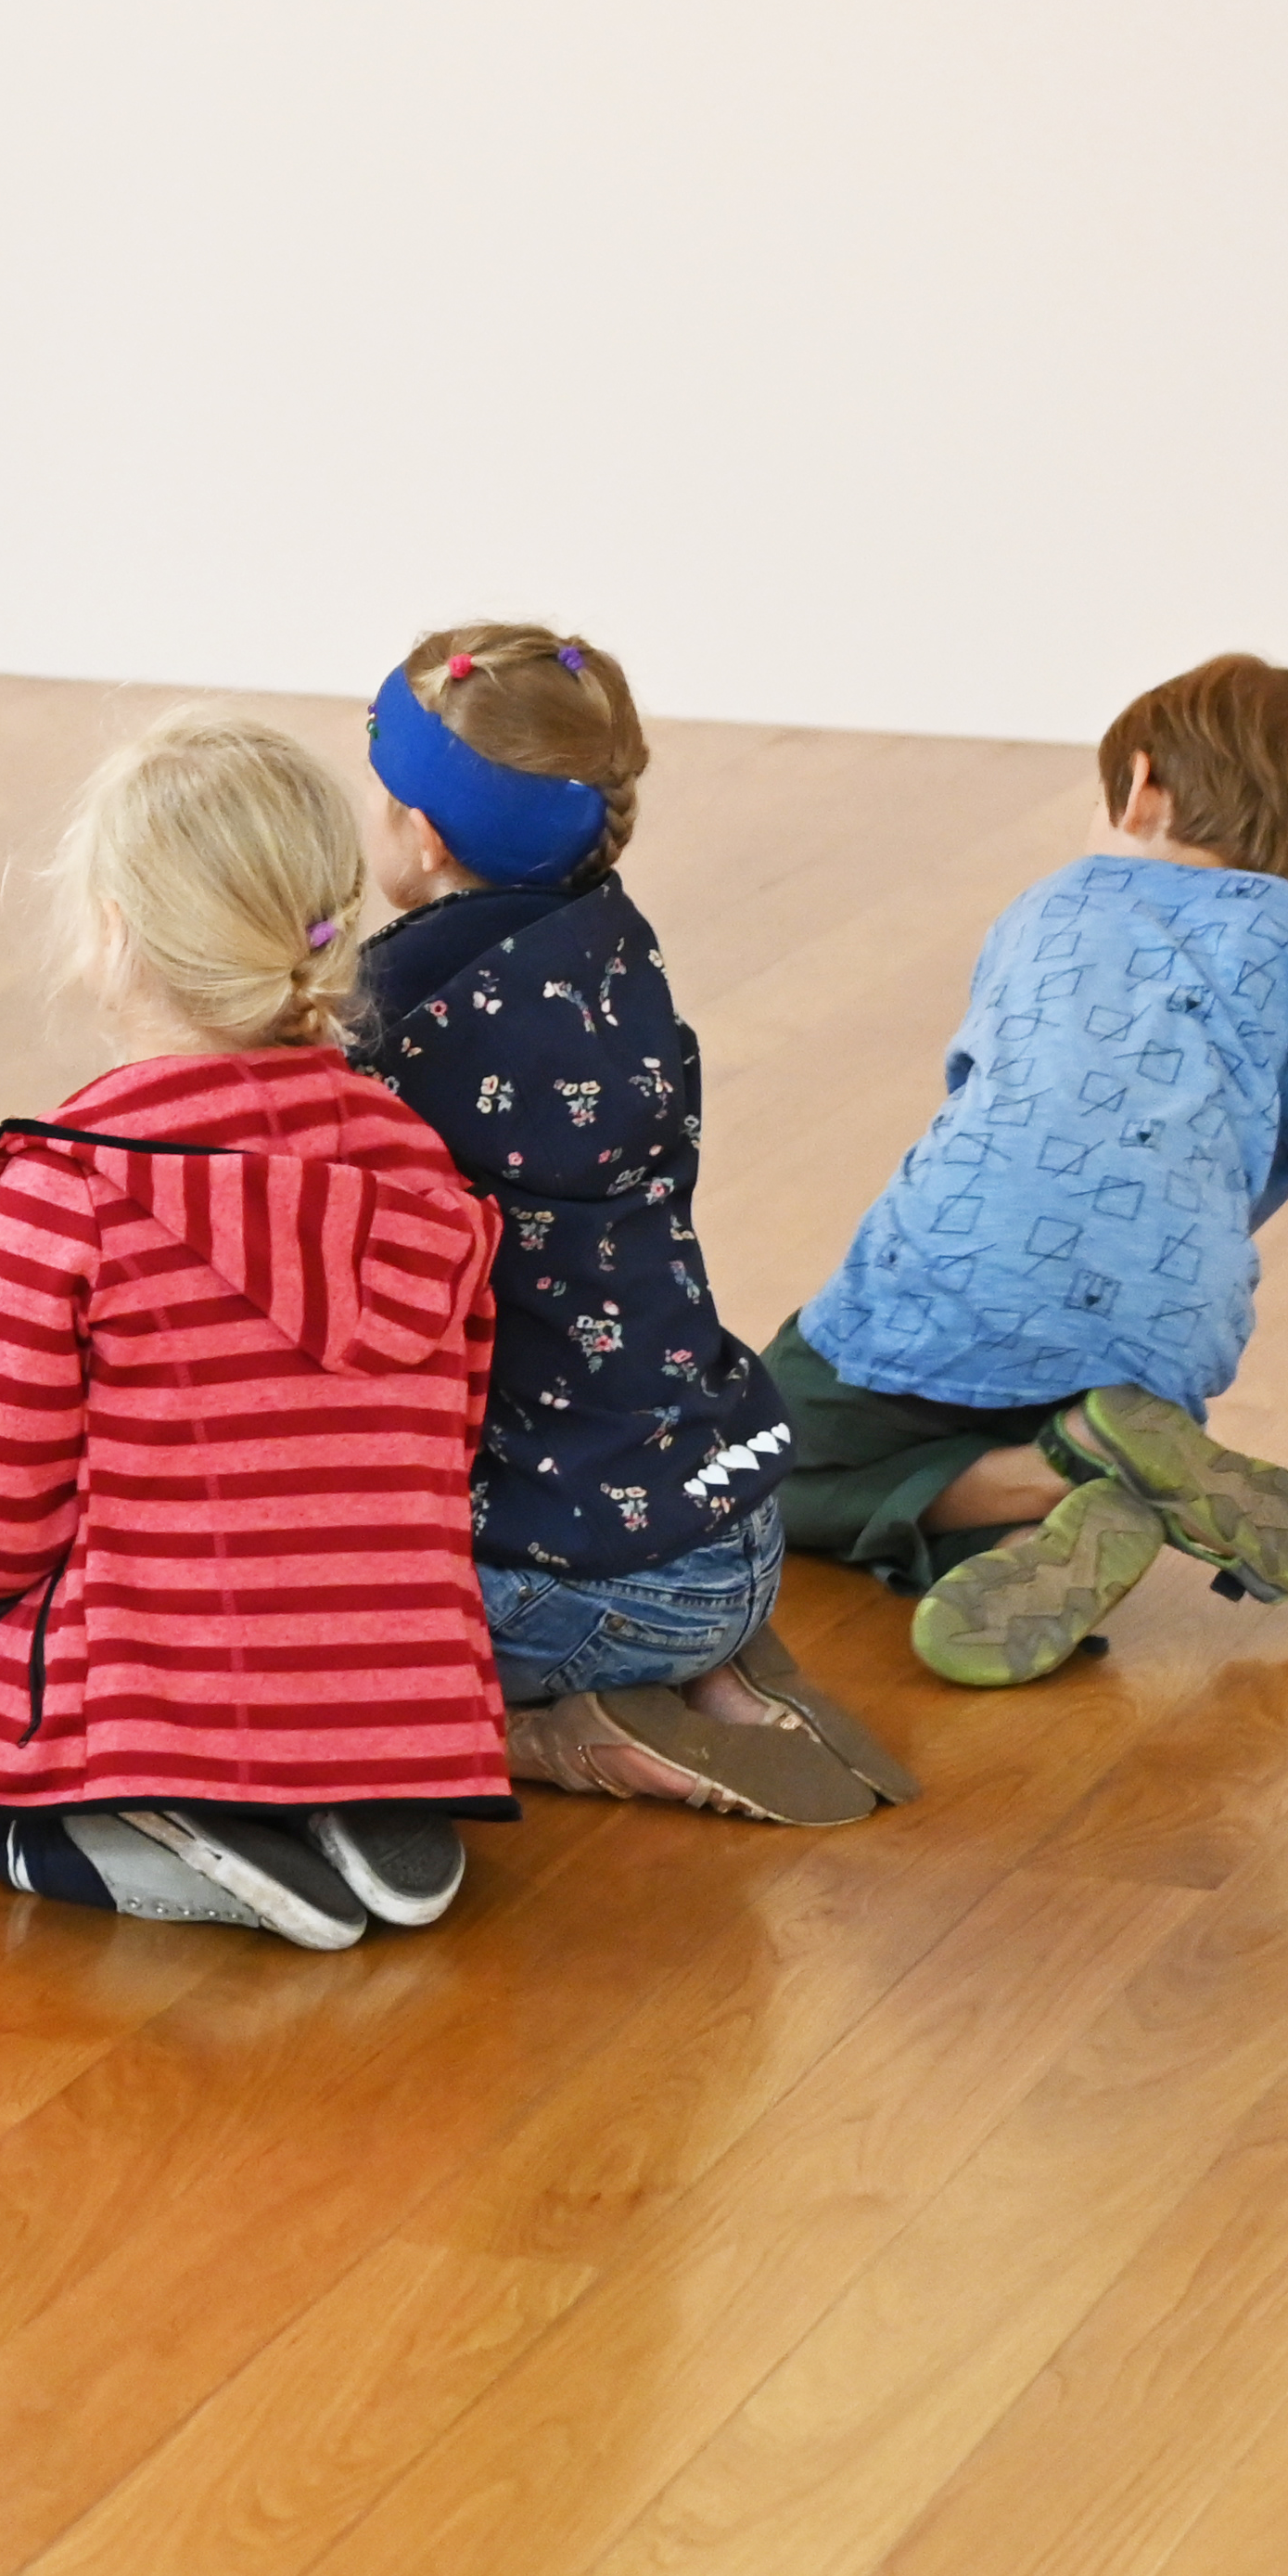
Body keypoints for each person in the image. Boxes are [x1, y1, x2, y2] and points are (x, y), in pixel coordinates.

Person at [0, 711, 515, 1952]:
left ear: (109, 933)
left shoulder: (71, 1180)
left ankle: (72, 1832)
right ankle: (345, 1789)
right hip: (407, 1691)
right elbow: (443, 1449)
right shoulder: (415, 1160)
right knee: (297, 1643)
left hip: (159, 1686)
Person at [766, 653, 1288, 1686]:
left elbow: (1001, 1128)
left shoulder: (1050, 907)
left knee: (747, 1465)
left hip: (944, 1283)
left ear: (1140, 786)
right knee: (1052, 1457)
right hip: (1151, 1339)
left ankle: (1064, 1471)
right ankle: (1091, 1466)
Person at [349, 625, 912, 1825]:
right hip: (733, 1518)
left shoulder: (398, 1016)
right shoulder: (613, 938)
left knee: (317, 1638)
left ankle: (569, 1733)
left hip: (598, 1582)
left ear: (427, 834)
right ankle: (720, 1669)